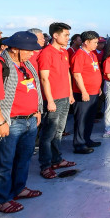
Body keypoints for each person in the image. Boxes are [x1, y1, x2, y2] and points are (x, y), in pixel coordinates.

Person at [0, 32, 44, 214]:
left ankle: (19, 188)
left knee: (24, 158)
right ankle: (2, 199)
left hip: (29, 120)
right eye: (29, 50)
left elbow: (33, 89)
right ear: (15, 49)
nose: (32, 54)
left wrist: (37, 110)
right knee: (4, 162)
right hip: (10, 122)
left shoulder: (26, 65)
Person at [37, 22, 76, 179]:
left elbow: (67, 73)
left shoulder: (64, 52)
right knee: (48, 134)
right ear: (55, 35)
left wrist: (70, 93)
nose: (68, 38)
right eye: (65, 35)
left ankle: (57, 159)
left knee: (59, 131)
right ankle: (45, 165)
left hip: (64, 97)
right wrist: (50, 100)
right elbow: (44, 78)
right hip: (53, 99)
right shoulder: (46, 53)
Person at [70, 31, 103, 154]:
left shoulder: (92, 54)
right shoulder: (79, 55)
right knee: (81, 119)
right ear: (87, 42)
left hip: (94, 92)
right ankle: (79, 144)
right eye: (94, 42)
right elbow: (77, 75)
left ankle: (87, 139)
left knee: (90, 118)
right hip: (83, 93)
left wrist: (98, 87)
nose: (96, 44)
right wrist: (83, 91)